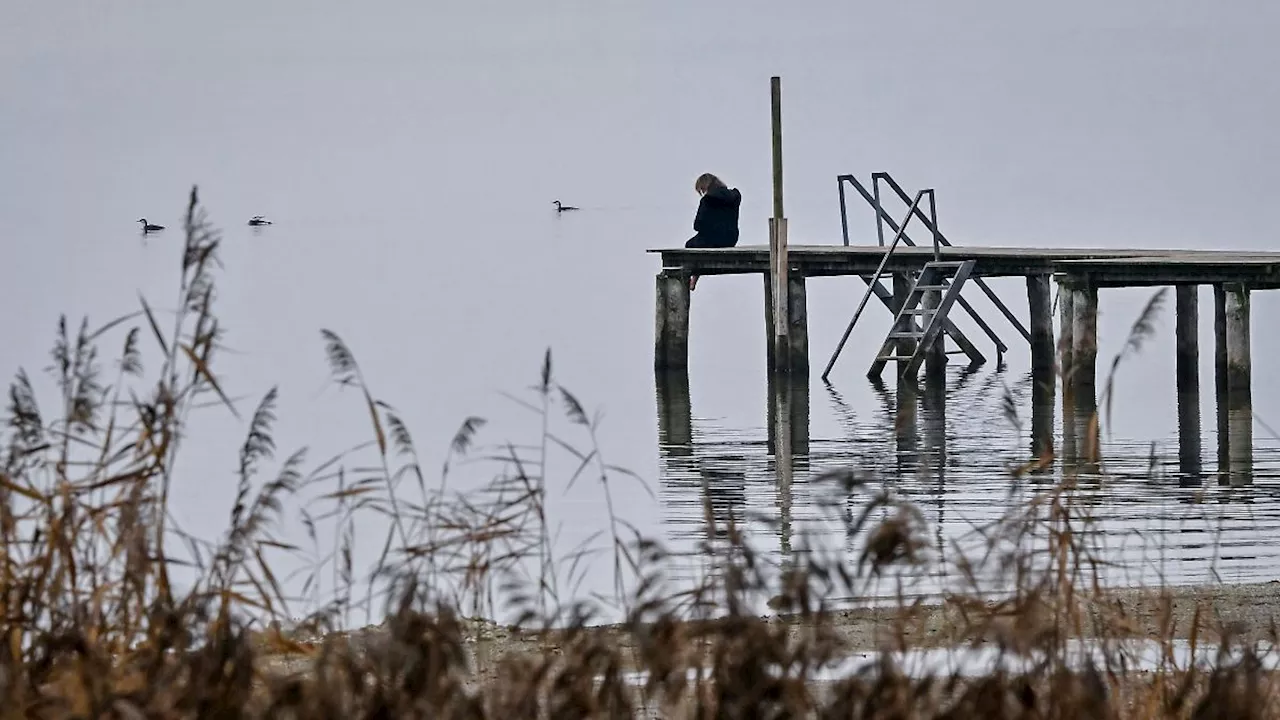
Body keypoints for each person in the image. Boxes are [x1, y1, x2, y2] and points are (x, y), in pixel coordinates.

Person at [685, 172, 741, 291]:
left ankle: (692, 279)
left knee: (689, 246)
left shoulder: (707, 200)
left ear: (705, 187)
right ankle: (694, 278)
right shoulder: (734, 197)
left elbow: (697, 225)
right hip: (731, 239)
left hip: (712, 240)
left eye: (701, 190)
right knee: (698, 243)